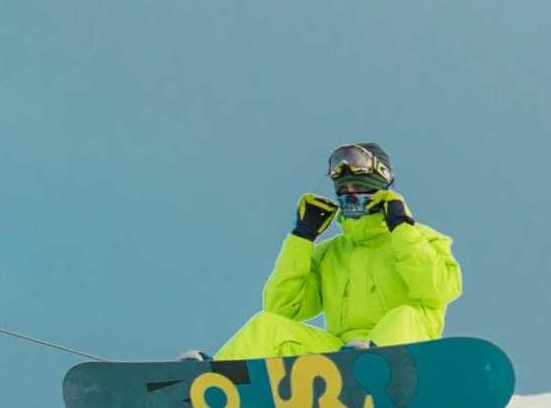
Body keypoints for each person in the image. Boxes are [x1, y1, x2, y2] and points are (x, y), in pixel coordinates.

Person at [196, 143, 462, 360]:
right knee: (266, 325)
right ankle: (213, 383)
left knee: (403, 314)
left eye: (358, 187)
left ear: (380, 189)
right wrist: (302, 237)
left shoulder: (423, 238)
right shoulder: (330, 254)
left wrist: (401, 227)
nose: (350, 195)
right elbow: (282, 308)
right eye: (343, 189)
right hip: (341, 359)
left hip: (409, 353)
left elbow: (437, 290)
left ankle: (369, 366)